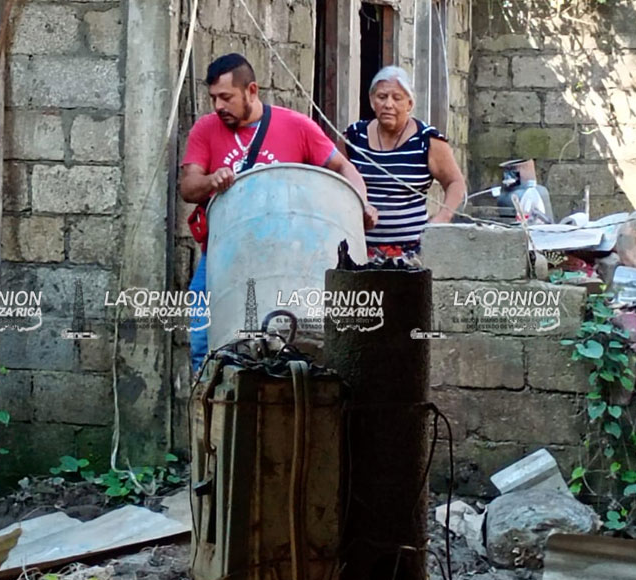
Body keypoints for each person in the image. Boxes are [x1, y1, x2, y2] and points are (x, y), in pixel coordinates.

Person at [179, 53, 375, 374]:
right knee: (205, 344)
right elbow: (188, 186)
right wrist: (210, 181)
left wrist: (360, 204)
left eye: (226, 97)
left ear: (251, 91)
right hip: (221, 260)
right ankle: (208, 416)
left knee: (295, 346)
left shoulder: (296, 126)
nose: (218, 106)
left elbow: (343, 168)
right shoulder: (205, 130)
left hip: (286, 263)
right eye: (213, 98)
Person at [341, 65, 467, 263]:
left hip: (412, 254)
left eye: (397, 98)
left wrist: (442, 218)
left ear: (409, 104)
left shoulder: (427, 140)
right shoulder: (354, 137)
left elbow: (456, 183)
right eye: (382, 97)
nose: (388, 104)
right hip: (359, 250)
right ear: (372, 101)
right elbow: (334, 180)